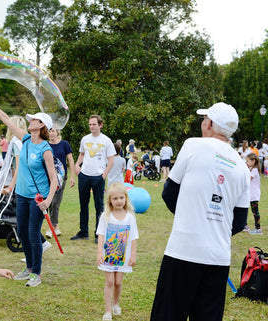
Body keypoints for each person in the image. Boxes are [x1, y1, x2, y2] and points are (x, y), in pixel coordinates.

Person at [150, 102, 250, 321]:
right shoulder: (242, 166)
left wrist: (191, 218)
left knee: (167, 314)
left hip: (183, 251)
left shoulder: (193, 145)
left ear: (210, 124)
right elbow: (240, 220)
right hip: (218, 258)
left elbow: (169, 193)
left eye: (204, 119)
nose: (203, 123)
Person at [0, 94, 57, 288]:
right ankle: (29, 268)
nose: (30, 121)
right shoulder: (25, 139)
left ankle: (36, 274)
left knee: (32, 233)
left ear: (41, 126)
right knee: (22, 232)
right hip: (21, 195)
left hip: (37, 198)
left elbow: (54, 178)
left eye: (34, 120)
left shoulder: (46, 149)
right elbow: (6, 118)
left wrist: (48, 200)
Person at [96, 182, 138, 321]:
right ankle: (108, 311)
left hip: (123, 257)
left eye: (121, 198)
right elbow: (101, 234)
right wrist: (99, 253)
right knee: (109, 281)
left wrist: (133, 255)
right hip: (109, 255)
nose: (119, 201)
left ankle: (116, 303)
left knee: (118, 282)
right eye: (115, 198)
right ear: (110, 200)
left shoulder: (130, 218)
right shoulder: (105, 216)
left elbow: (133, 237)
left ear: (126, 198)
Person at [71, 115, 116, 242]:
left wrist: (103, 175)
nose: (91, 126)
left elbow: (111, 160)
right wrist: (77, 164)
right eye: (90, 124)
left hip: (98, 177)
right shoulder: (85, 139)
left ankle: (98, 233)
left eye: (94, 124)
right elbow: (82, 154)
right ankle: (83, 232)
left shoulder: (106, 140)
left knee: (99, 207)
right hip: (84, 176)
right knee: (83, 205)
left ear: (100, 125)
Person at [45, 128, 76, 238]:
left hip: (61, 178)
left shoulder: (64, 144)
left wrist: (72, 176)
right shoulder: (45, 145)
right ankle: (55, 227)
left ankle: (51, 227)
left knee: (55, 202)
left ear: (57, 133)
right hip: (47, 177)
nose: (51, 133)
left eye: (53, 131)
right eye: (49, 131)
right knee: (49, 201)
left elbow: (70, 160)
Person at [243, 153, 262, 234]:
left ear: (253, 161)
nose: (246, 163)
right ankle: (245, 226)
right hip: (250, 194)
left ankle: (258, 229)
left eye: (248, 161)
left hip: (254, 195)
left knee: (255, 212)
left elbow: (247, 179)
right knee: (245, 208)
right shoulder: (252, 169)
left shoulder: (254, 170)